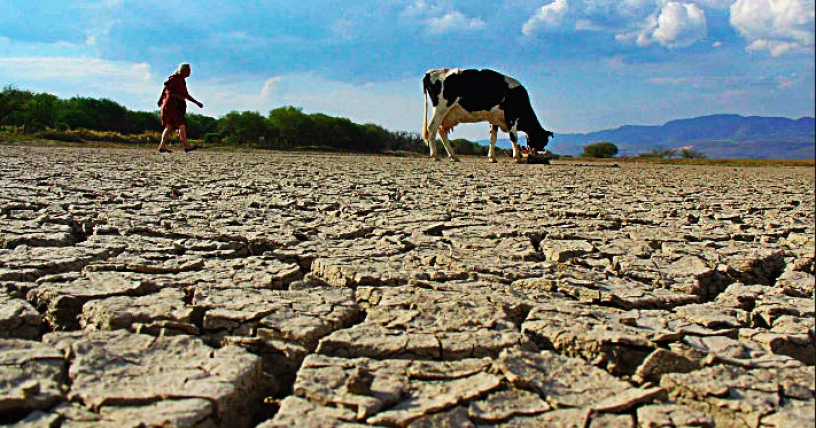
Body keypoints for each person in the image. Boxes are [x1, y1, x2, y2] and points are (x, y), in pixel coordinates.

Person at [156, 63, 204, 153]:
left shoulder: (182, 81)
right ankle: (186, 146)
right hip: (171, 103)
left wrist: (197, 103)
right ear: (183, 70)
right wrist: (160, 100)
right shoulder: (175, 78)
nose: (190, 72)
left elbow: (185, 95)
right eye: (188, 70)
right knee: (181, 124)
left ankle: (162, 147)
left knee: (169, 126)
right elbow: (166, 88)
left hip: (177, 104)